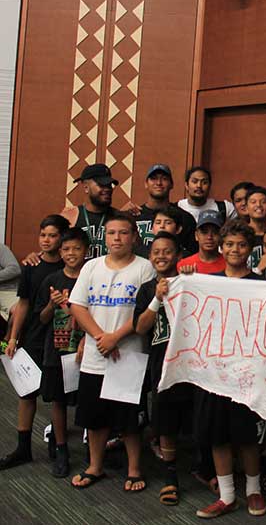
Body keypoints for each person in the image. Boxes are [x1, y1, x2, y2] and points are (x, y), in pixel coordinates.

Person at [68, 211, 156, 492]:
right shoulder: (91, 267)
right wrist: (98, 337)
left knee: (129, 418)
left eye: (123, 233)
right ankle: (95, 466)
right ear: (105, 237)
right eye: (111, 233)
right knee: (95, 418)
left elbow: (145, 311)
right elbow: (78, 306)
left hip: (128, 353)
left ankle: (134, 469)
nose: (117, 238)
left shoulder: (144, 268)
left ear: (134, 237)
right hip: (96, 355)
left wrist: (115, 337)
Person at [193, 219, 266, 518]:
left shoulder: (263, 285)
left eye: (242, 245)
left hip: (249, 373)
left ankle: (253, 490)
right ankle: (226, 496)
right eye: (230, 244)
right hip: (215, 371)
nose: (235, 250)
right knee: (217, 434)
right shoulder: (209, 282)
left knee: (248, 435)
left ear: (250, 249)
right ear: (221, 247)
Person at [0, 214, 69, 470]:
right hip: (32, 334)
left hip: (61, 337)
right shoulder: (31, 265)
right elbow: (23, 303)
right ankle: (23, 447)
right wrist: (13, 337)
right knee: (26, 391)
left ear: (62, 237)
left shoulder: (70, 264)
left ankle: (58, 444)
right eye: (43, 235)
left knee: (56, 395)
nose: (46, 240)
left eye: (52, 235)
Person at [133, 232, 193, 506]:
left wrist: (191, 278)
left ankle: (205, 469)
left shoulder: (190, 282)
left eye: (167, 251)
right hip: (161, 363)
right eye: (156, 251)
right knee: (165, 420)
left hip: (192, 363)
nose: (161, 256)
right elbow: (140, 328)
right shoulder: (146, 289)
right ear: (150, 256)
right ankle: (171, 477)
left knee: (197, 414)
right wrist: (157, 299)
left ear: (178, 255)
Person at [36, 227, 89, 478]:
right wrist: (51, 304)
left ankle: (92, 448)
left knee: (87, 400)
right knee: (57, 401)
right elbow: (43, 318)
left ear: (86, 250)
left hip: (85, 349)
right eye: (66, 249)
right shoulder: (52, 280)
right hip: (56, 349)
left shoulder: (91, 276)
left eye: (76, 249)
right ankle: (61, 448)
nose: (71, 254)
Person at [123, 164, 197, 255]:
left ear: (172, 184)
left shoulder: (184, 218)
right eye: (153, 178)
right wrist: (120, 214)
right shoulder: (133, 215)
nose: (158, 183)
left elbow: (192, 255)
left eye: (164, 179)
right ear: (146, 184)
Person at [243, 186, 266, 271]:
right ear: (246, 208)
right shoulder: (240, 234)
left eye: (263, 202)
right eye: (253, 202)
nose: (258, 205)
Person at [0, 242, 21, 336]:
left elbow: (14, 269)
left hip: (6, 291)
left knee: (19, 310)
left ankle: (8, 339)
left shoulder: (1, 248)